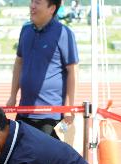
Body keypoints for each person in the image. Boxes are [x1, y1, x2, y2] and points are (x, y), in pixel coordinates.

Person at [7, 0, 79, 138]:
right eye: (32, 2)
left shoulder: (64, 33)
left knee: (47, 159)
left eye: (37, 3)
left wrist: (68, 108)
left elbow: (73, 71)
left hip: (50, 116)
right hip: (24, 112)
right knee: (21, 157)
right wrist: (12, 96)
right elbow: (19, 63)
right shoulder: (26, 30)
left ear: (51, 8)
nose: (32, 6)